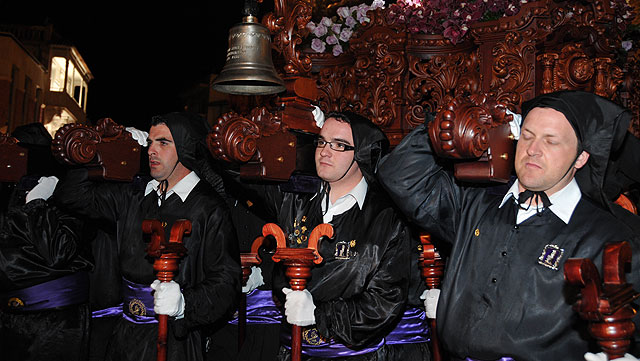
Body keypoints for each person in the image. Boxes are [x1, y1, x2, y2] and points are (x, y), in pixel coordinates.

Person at [377, 90, 640, 361]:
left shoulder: (610, 239)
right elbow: (398, 175)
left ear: (581, 158)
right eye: (527, 135)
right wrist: (447, 125)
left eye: (551, 141)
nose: (533, 149)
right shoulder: (475, 204)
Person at [232, 111, 431, 361]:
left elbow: (385, 301)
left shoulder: (388, 219)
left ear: (362, 154)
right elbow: (235, 172)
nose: (324, 151)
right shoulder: (296, 199)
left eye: (339, 145)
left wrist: (318, 313)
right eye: (321, 141)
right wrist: (272, 127)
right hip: (292, 350)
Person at [47, 112, 241, 361]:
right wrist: (98, 150)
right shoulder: (135, 196)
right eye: (150, 142)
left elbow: (226, 282)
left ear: (185, 147)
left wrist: (185, 304)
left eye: (163, 142)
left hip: (174, 340)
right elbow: (71, 195)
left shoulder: (208, 208)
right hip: (125, 334)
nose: (151, 150)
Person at [0, 123, 93, 361]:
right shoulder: (8, 190)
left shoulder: (64, 193)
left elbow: (59, 251)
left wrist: (36, 204)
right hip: (10, 318)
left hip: (56, 321)